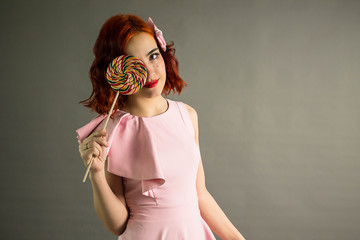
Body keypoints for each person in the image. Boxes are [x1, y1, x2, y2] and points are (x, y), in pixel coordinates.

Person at [76, 14, 246, 240]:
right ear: (117, 71)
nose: (148, 71)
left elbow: (200, 195)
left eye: (153, 56)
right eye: (134, 63)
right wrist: (97, 174)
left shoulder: (187, 115)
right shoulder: (113, 130)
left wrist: (237, 238)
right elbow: (117, 225)